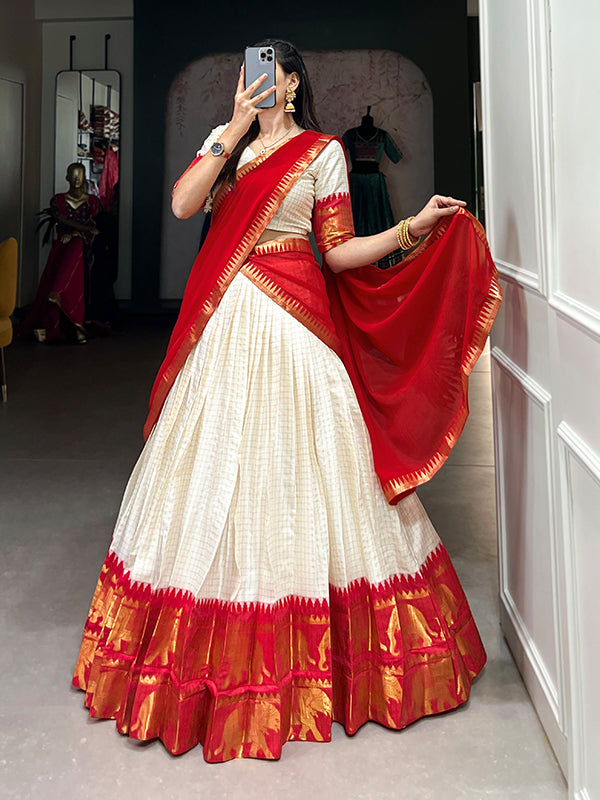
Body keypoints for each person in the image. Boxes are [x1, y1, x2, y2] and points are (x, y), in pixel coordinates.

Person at [73, 39, 501, 762]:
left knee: (310, 476)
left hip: (298, 330)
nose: (255, 81)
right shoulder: (230, 148)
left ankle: (323, 666)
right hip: (227, 325)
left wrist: (410, 229)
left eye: (267, 72)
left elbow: (335, 252)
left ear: (293, 82)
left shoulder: (322, 153)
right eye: (248, 72)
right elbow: (182, 204)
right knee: (214, 476)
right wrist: (233, 128)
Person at [18, 163, 101, 344]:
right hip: (63, 245)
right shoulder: (59, 201)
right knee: (71, 250)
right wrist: (79, 230)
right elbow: (62, 220)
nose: (77, 178)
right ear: (67, 177)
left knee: (78, 246)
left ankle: (58, 293)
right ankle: (62, 306)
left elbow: (95, 229)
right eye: (73, 174)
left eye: (80, 174)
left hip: (84, 247)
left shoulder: (92, 203)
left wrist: (78, 233)